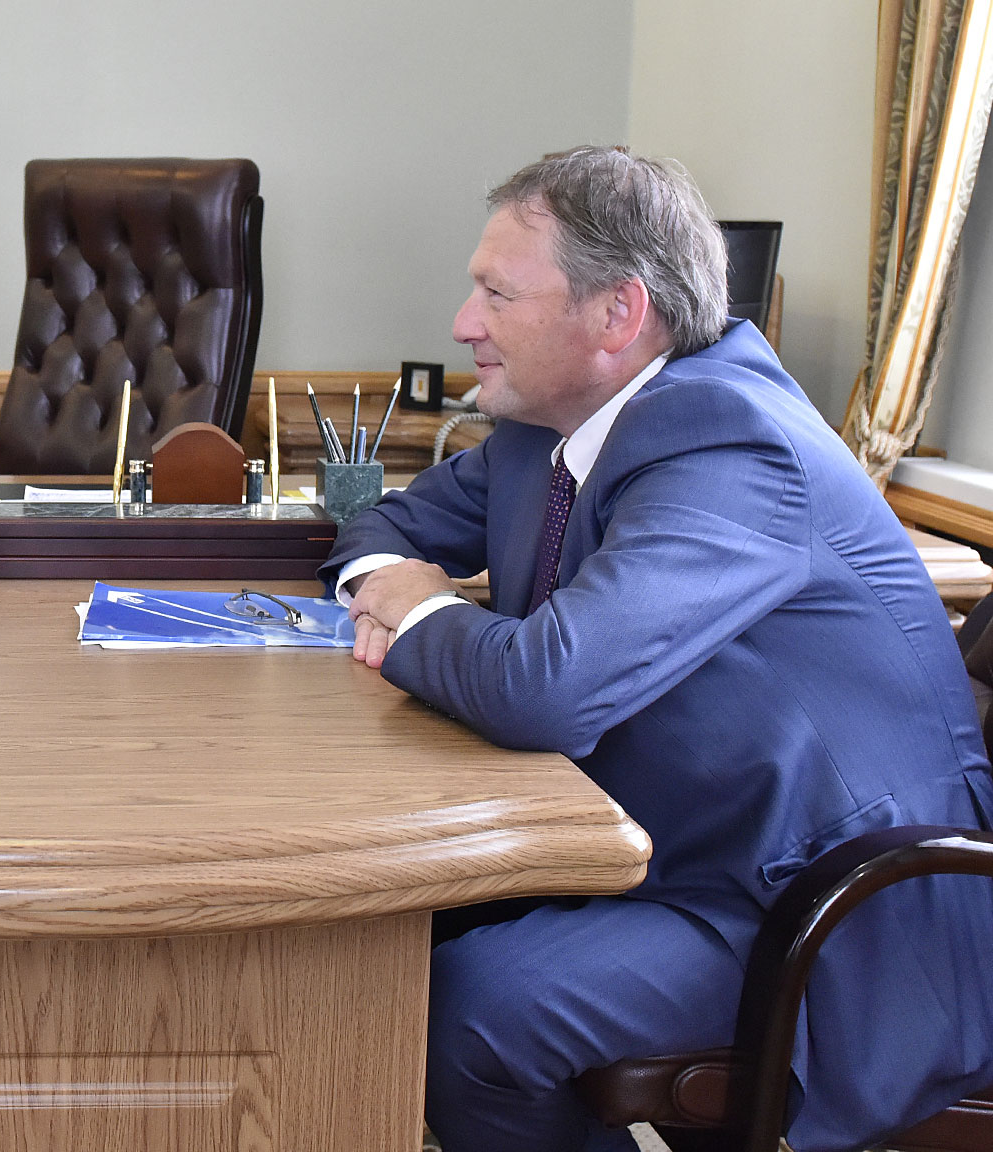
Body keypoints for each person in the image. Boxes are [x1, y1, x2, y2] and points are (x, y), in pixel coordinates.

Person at [323, 146, 993, 1152]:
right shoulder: (545, 426)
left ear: (618, 314)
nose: (464, 323)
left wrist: (416, 613)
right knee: (369, 924)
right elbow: (387, 531)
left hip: (824, 907)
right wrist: (387, 586)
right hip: (668, 847)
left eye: (498, 294)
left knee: (476, 1008)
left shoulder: (733, 442)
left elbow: (547, 689)